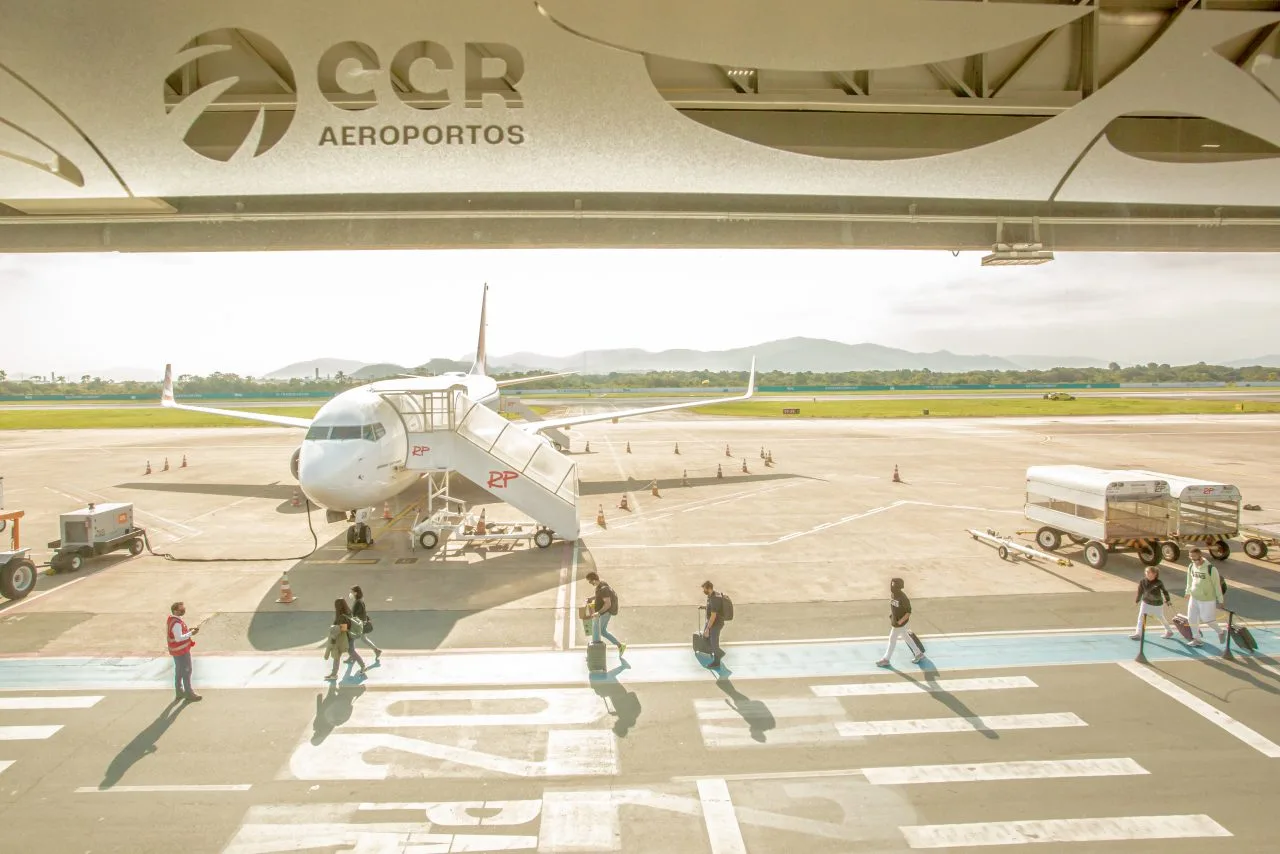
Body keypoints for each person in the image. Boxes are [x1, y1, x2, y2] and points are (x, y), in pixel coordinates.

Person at [1184, 547, 1226, 647]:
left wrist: (1220, 600)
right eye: (1191, 557)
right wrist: (1188, 592)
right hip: (1194, 597)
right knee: (1191, 619)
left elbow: (1217, 585)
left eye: (1194, 557)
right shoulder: (1191, 566)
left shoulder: (1211, 568)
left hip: (1207, 599)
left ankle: (1220, 632)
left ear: (1200, 556)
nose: (1193, 560)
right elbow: (1189, 581)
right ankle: (1196, 639)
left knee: (1207, 619)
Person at [877, 578, 924, 667]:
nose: (892, 586)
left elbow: (908, 612)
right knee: (906, 637)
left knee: (892, 639)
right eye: (892, 584)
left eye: (894, 585)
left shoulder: (903, 598)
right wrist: (892, 616)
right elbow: (894, 606)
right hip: (896, 621)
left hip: (900, 623)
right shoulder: (893, 594)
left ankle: (886, 659)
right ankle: (918, 653)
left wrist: (900, 622)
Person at [166, 601, 202, 702]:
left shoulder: (172, 620)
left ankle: (179, 692)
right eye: (181, 609)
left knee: (179, 671)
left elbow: (178, 634)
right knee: (187, 671)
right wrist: (191, 633)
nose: (183, 610)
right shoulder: (176, 623)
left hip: (176, 651)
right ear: (175, 611)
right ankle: (189, 693)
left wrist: (187, 631)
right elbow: (178, 638)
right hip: (181, 651)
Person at [584, 572, 625, 658]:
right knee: (601, 631)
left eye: (590, 582)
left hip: (605, 612)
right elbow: (599, 596)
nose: (590, 583)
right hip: (603, 612)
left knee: (598, 630)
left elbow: (608, 604)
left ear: (594, 580)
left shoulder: (603, 589)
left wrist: (598, 613)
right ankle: (619, 646)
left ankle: (597, 653)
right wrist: (591, 598)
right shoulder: (601, 584)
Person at [325, 598, 367, 680]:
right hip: (349, 637)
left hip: (345, 638)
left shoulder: (341, 616)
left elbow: (344, 628)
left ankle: (363, 666)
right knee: (342, 654)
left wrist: (335, 630)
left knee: (345, 653)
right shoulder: (348, 612)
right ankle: (334, 673)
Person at [1131, 565, 1174, 640]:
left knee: (1160, 617)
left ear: (1155, 574)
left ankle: (1169, 631)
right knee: (1141, 617)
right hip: (1145, 603)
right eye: (1146, 572)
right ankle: (1138, 634)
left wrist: (1168, 600)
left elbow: (1165, 591)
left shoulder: (1159, 582)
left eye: (1149, 572)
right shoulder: (1142, 581)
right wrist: (1137, 600)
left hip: (1157, 604)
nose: (1147, 573)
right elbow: (1140, 591)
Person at [349, 585, 382, 663]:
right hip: (360, 623)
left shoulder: (358, 602)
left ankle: (352, 656)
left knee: (351, 639)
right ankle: (376, 650)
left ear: (356, 593)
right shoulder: (359, 601)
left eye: (352, 592)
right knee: (363, 639)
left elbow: (356, 614)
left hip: (358, 624)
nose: (351, 594)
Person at [701, 580, 726, 669]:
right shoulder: (711, 595)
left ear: (709, 588)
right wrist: (704, 607)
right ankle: (716, 653)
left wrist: (708, 629)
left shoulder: (714, 598)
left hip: (716, 624)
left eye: (705, 589)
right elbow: (712, 608)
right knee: (706, 638)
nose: (704, 591)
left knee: (714, 643)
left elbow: (713, 615)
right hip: (712, 622)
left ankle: (717, 658)